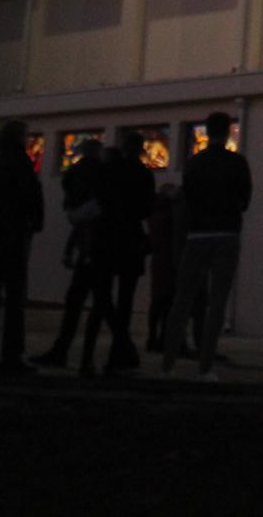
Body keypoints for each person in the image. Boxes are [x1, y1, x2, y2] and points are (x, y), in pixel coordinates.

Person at [161, 111, 252, 381]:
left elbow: (185, 199)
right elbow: (245, 201)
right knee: (217, 304)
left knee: (182, 301)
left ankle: (168, 364)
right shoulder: (237, 163)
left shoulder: (194, 164)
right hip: (226, 233)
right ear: (227, 132)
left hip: (197, 235)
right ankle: (206, 366)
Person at [79, 132, 155, 377]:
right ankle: (118, 356)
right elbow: (146, 209)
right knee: (125, 302)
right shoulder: (144, 174)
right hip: (130, 240)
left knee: (101, 299)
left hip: (106, 238)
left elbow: (98, 199)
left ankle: (87, 358)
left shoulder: (108, 171)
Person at [0, 119, 43, 374]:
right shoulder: (16, 161)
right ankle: (12, 354)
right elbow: (29, 197)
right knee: (14, 298)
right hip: (12, 237)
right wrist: (33, 221)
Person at [34, 142, 106, 367]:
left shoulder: (85, 197)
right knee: (98, 303)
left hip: (90, 253)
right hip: (97, 253)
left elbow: (80, 223)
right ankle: (85, 357)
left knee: (79, 302)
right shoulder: (100, 185)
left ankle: (66, 351)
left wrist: (71, 250)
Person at [144, 181, 180, 353]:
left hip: (159, 258)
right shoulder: (170, 214)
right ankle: (162, 337)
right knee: (166, 301)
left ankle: (154, 337)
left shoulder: (155, 212)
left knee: (158, 301)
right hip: (168, 258)